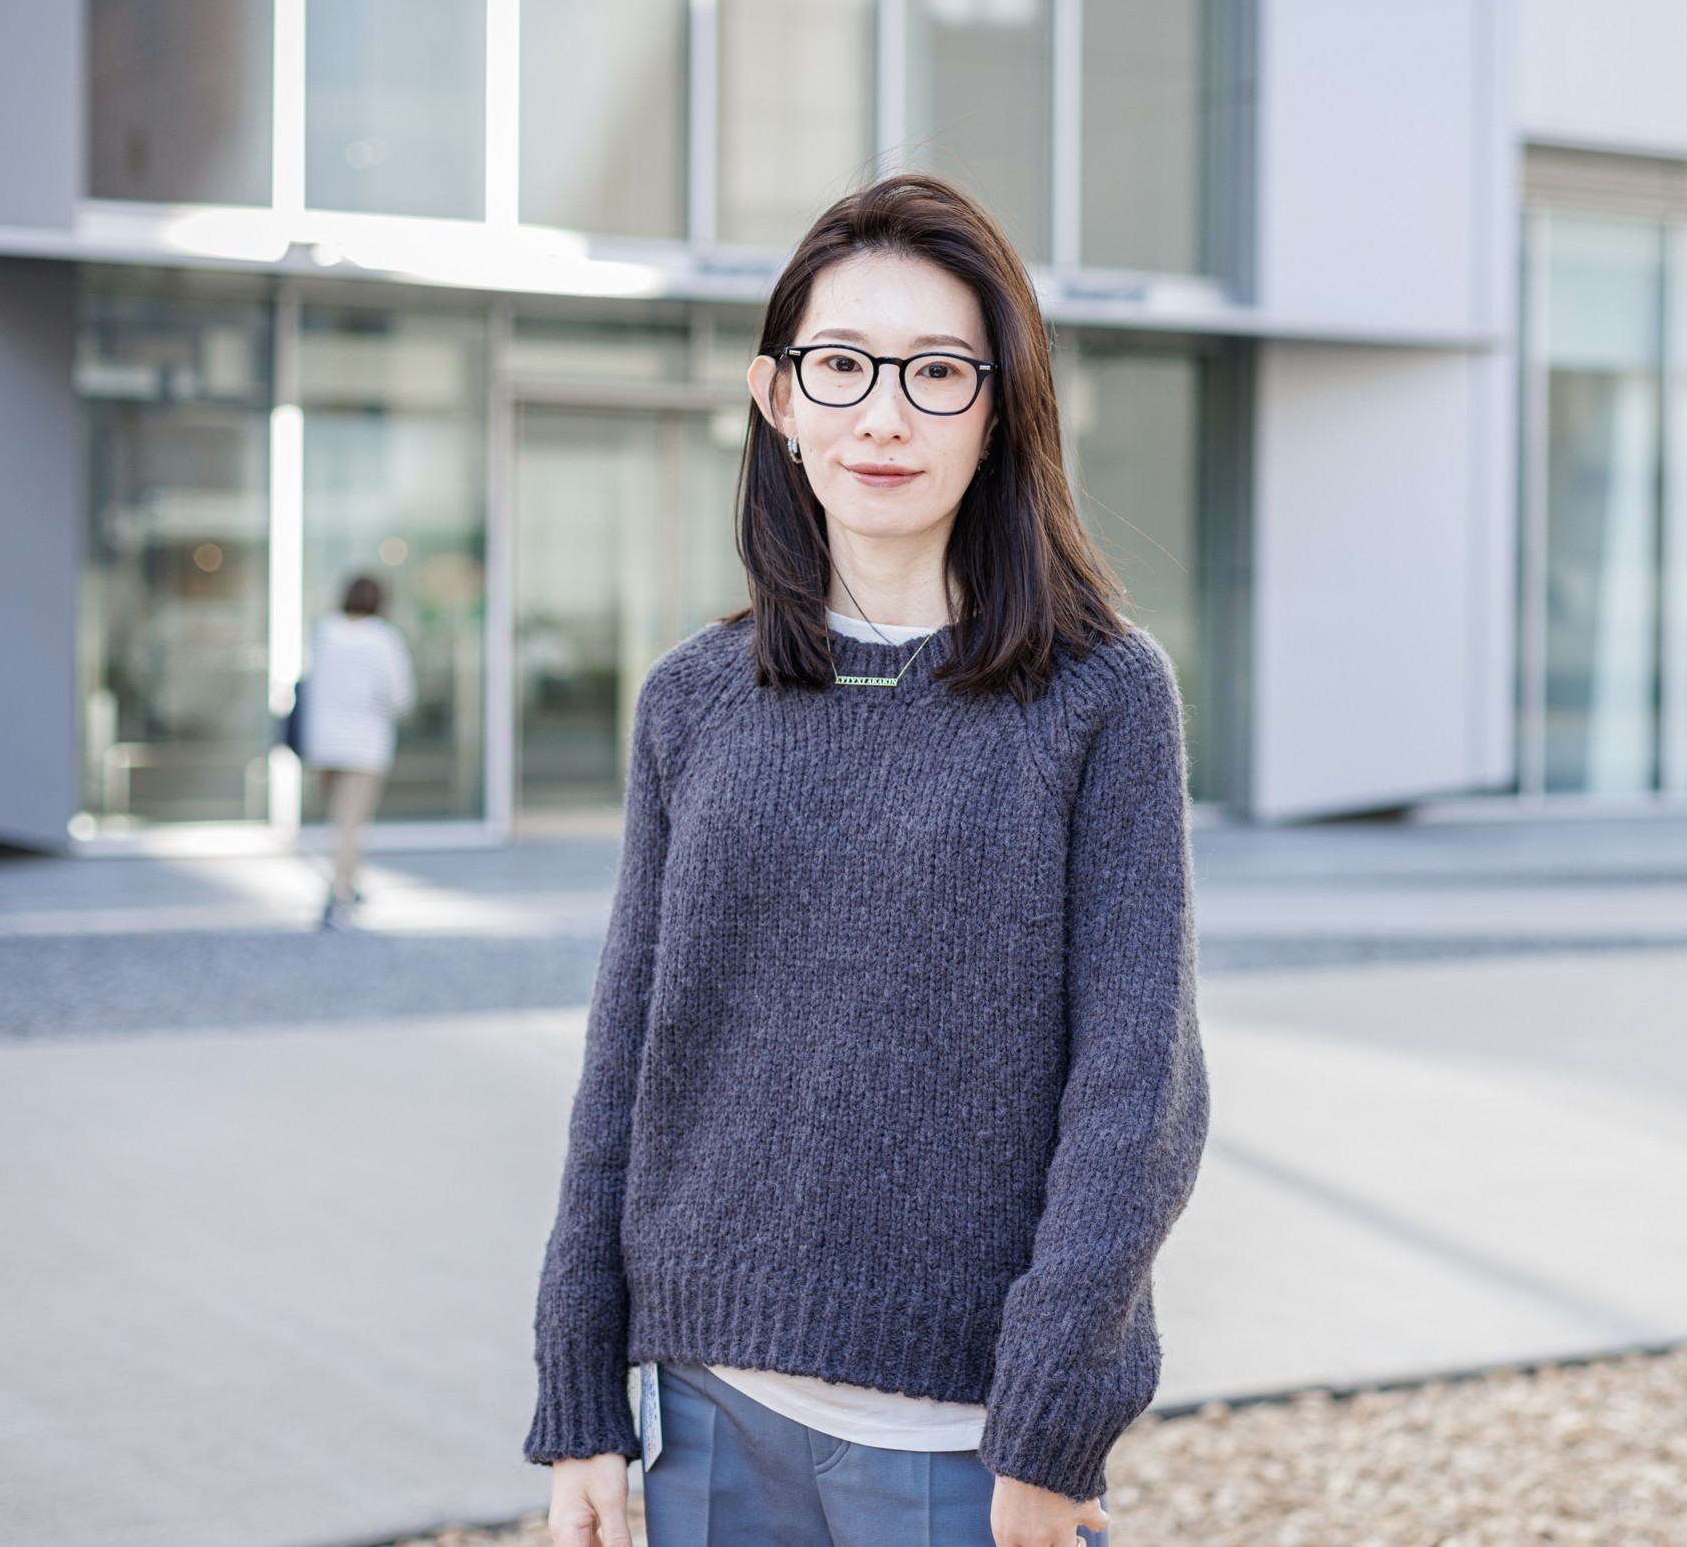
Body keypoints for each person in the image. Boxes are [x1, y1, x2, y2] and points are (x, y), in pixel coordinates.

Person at [524, 175, 1209, 1547]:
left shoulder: (1102, 698)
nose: (882, 414)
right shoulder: (693, 699)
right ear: (777, 399)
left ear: (1001, 407)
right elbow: (626, 1064)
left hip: (961, 1444)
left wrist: (1051, 1426)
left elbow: (1137, 1091)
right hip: (706, 1414)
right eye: (839, 367)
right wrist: (578, 1394)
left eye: (936, 372)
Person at [303, 575, 415, 929]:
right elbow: (400, 696)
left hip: (323, 741)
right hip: (365, 743)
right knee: (352, 822)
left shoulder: (325, 632)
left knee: (338, 822)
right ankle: (339, 897)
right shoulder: (383, 638)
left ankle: (350, 883)